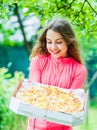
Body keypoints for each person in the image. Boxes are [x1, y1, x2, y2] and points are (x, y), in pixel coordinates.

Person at [27, 18, 87, 130]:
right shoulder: (38, 62)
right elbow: (35, 95)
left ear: (68, 41)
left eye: (59, 42)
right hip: (36, 127)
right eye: (49, 42)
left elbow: (69, 105)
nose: (53, 47)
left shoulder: (79, 70)